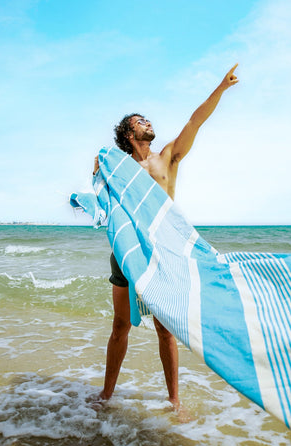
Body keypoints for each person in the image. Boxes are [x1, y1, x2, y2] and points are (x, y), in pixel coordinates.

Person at [94, 64, 239, 413]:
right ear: (129, 134)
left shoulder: (167, 158)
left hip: (164, 255)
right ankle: (105, 395)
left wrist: (220, 88)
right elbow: (100, 194)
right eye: (140, 121)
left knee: (165, 329)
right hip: (127, 254)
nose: (148, 123)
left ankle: (174, 401)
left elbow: (195, 121)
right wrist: (97, 169)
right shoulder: (120, 169)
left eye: (147, 120)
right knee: (120, 327)